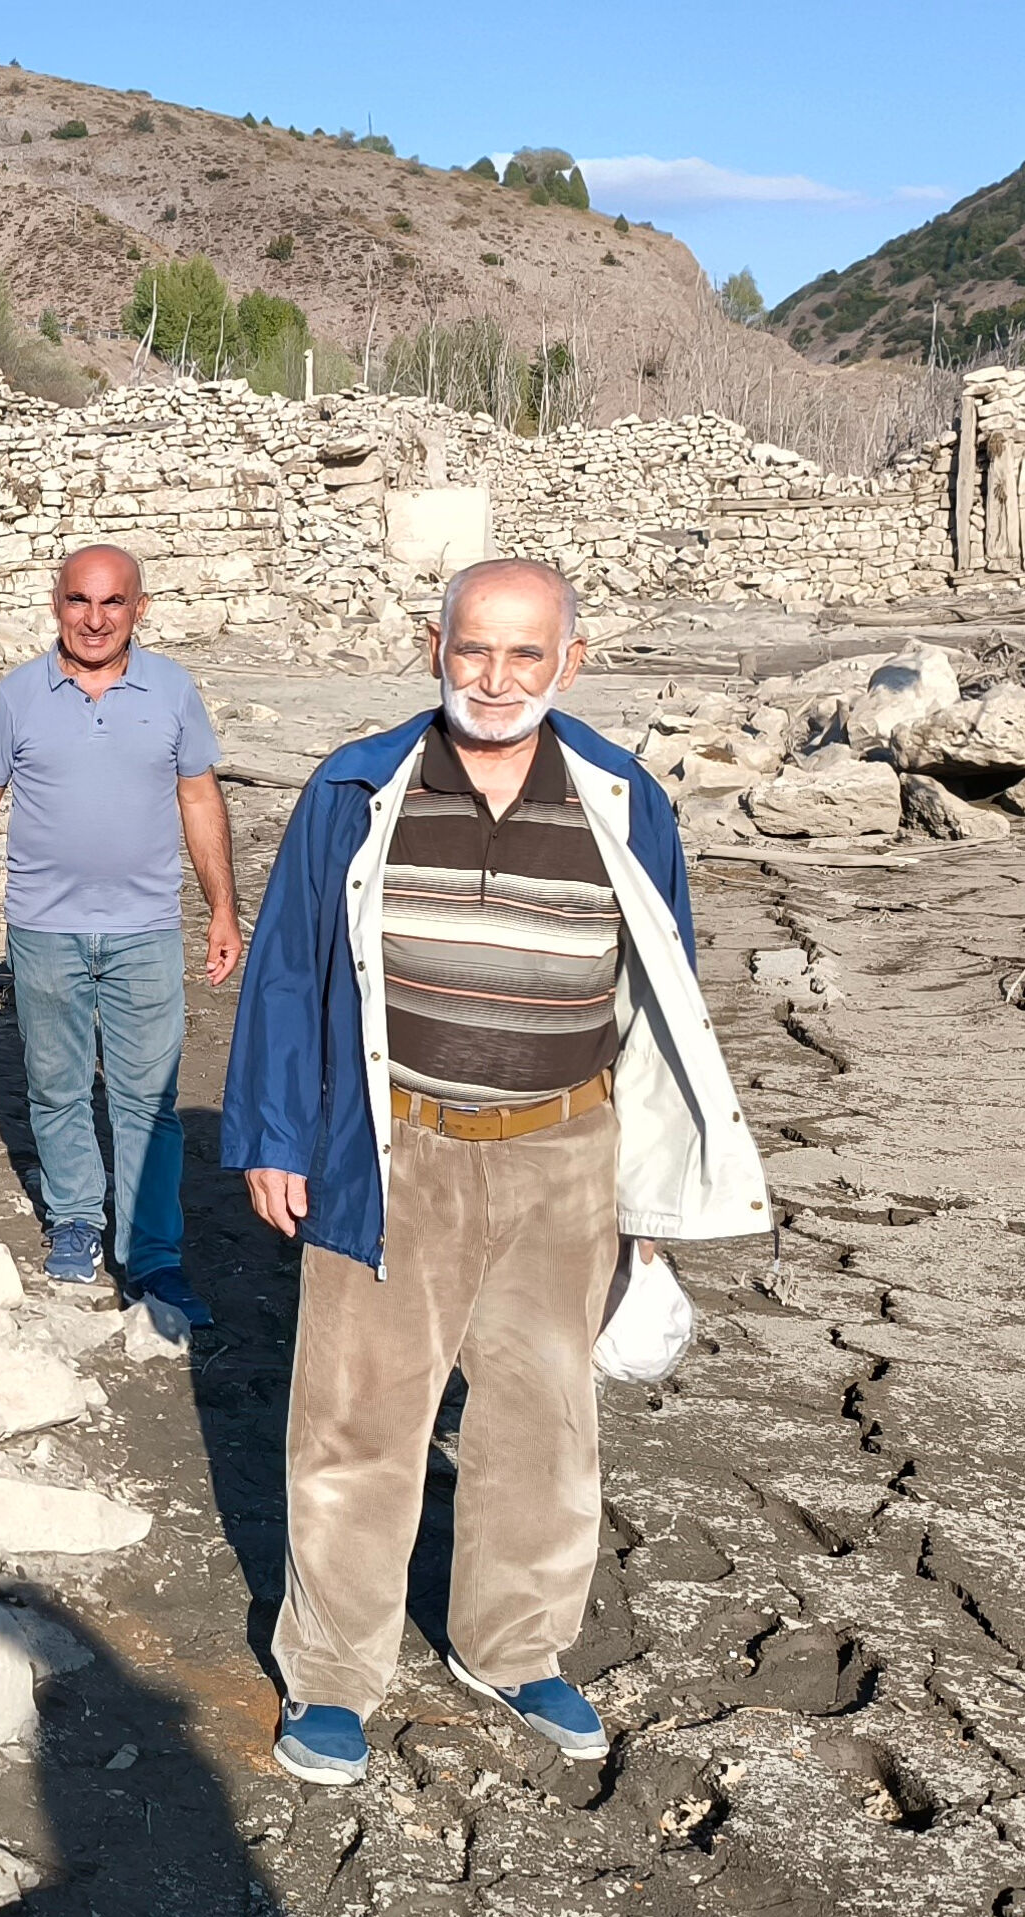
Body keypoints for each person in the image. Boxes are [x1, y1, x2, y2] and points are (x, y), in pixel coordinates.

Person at [219, 557, 770, 1785]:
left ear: (569, 661)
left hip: (563, 1152)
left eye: (525, 653)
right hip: (390, 1144)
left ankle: (513, 1647)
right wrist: (270, 1132)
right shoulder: (356, 786)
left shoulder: (624, 798)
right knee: (355, 1417)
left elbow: (657, 1000)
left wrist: (649, 1195)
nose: (496, 676)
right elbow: (287, 972)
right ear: (433, 645)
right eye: (474, 648)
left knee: (543, 1419)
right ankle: (329, 1677)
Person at [0, 544, 242, 1321]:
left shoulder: (170, 690)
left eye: (112, 603)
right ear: (56, 603)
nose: (94, 620)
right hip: (44, 929)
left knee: (149, 1101)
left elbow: (199, 801)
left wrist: (223, 909)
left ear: (140, 608)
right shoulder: (18, 696)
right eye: (78, 602)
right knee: (58, 1089)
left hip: (146, 931)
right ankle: (74, 1221)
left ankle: (154, 1257)